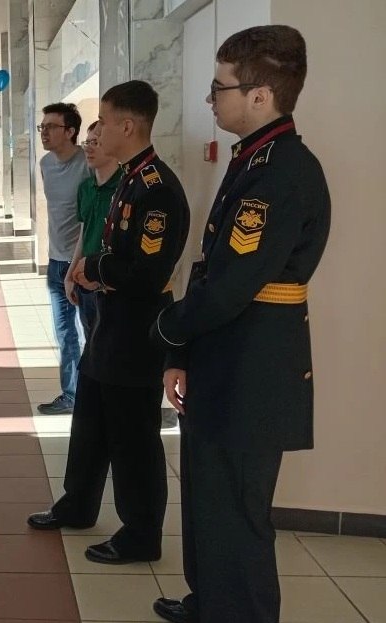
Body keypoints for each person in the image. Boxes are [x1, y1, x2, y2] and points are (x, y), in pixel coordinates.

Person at [151, 26, 330, 623]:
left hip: (254, 367)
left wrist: (168, 331)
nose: (211, 99)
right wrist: (183, 356)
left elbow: (231, 286)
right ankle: (211, 603)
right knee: (209, 501)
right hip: (225, 359)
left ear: (260, 95)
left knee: (237, 512)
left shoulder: (283, 171)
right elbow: (215, 271)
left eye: (218, 87)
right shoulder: (254, 159)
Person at [28, 81, 190, 568]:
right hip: (109, 323)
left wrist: (94, 268)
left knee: (134, 437)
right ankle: (78, 503)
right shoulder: (128, 179)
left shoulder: (157, 189)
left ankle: (141, 533)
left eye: (104, 121)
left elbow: (147, 272)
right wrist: (92, 269)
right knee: (91, 422)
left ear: (128, 126)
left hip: (136, 330)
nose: (96, 131)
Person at [37, 102, 90, 415]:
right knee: (64, 333)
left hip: (81, 264)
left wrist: (79, 262)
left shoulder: (88, 163)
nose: (44, 132)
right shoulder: (45, 164)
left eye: (51, 127)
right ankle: (71, 395)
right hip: (55, 262)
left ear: (70, 131)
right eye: (42, 127)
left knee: (89, 331)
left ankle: (92, 394)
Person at [65, 121, 122, 339]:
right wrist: (70, 275)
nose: (88, 149)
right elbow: (84, 233)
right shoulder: (85, 189)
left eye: (95, 143)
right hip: (86, 282)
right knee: (90, 344)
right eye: (86, 143)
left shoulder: (125, 186)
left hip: (113, 285)